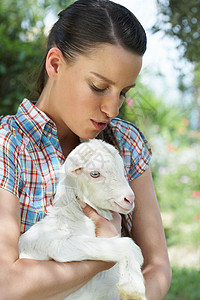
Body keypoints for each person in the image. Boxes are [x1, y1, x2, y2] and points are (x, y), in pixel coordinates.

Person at [0, 0, 172, 299]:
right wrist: (105, 254)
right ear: (55, 64)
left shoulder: (125, 143)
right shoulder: (9, 145)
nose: (112, 109)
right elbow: (5, 282)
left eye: (123, 93)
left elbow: (157, 266)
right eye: (98, 86)